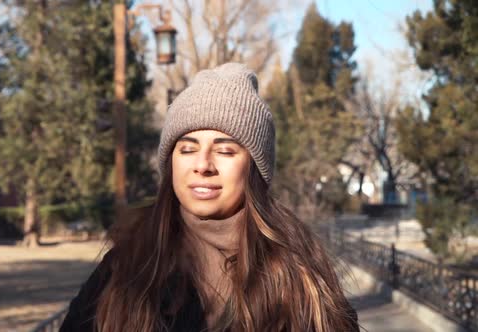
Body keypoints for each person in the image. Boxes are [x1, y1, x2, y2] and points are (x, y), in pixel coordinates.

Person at [60, 63, 359, 332]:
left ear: (254, 168)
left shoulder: (297, 275)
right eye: (187, 149)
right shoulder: (128, 264)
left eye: (225, 151)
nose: (202, 165)